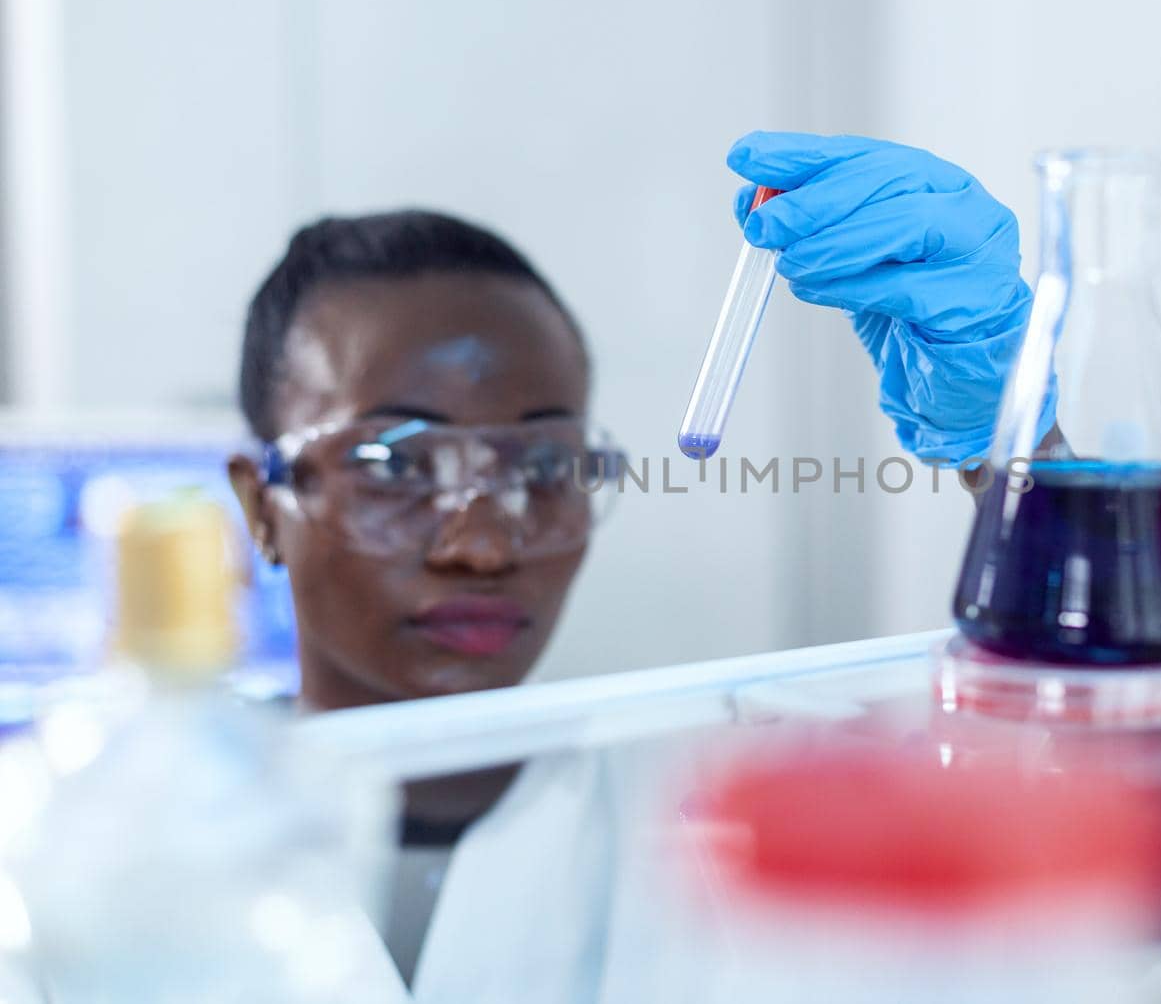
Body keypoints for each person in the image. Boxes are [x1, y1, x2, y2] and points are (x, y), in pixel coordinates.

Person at [225, 130, 1059, 994]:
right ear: (260, 504)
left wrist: (1016, 447)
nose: (482, 545)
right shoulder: (116, 839)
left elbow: (1093, 821)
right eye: (394, 466)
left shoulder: (717, 817)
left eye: (545, 467)